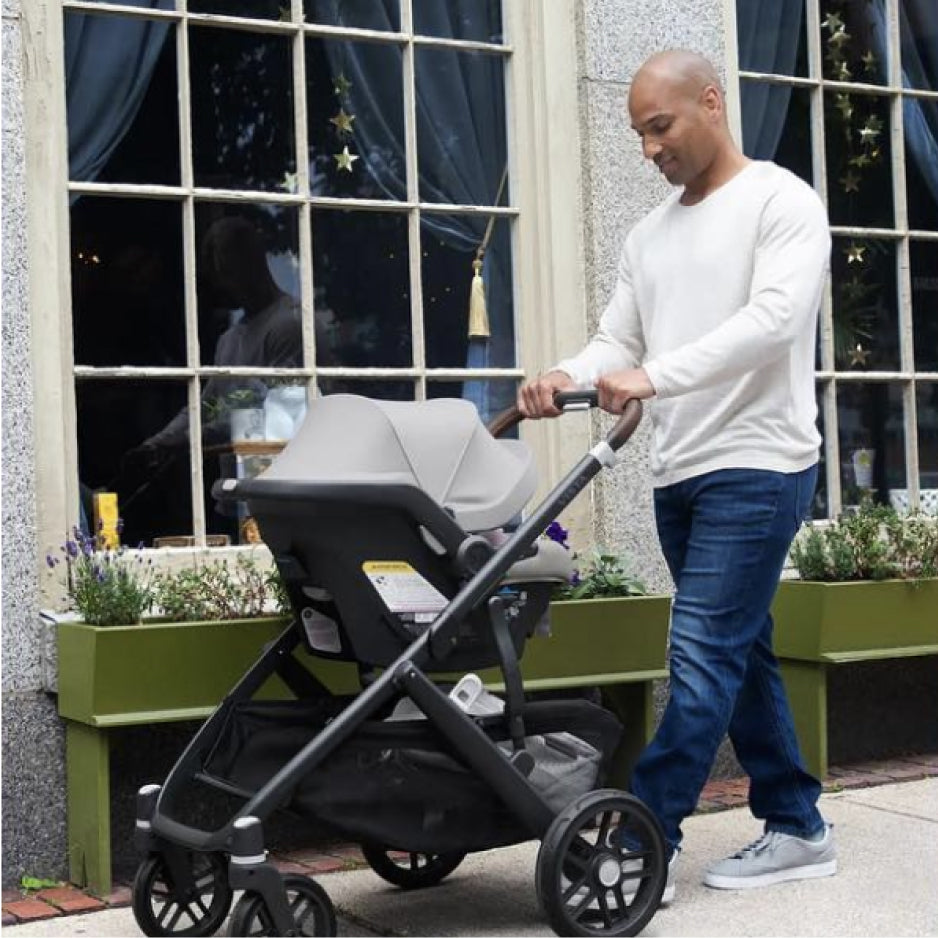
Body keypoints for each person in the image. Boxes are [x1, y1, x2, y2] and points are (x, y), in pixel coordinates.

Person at [518, 49, 836, 902]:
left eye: (660, 127)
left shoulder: (781, 203)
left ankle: (640, 839)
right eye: (639, 134)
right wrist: (565, 373)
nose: (649, 148)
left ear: (711, 102)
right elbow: (618, 341)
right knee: (741, 653)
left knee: (699, 658)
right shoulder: (649, 236)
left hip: (761, 464)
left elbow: (773, 324)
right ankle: (798, 824)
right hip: (680, 473)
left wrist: (653, 377)